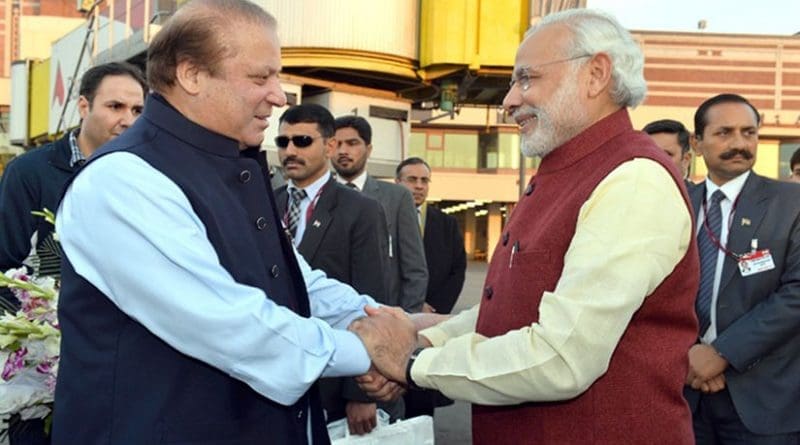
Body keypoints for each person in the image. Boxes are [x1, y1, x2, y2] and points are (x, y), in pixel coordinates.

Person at [51, 2, 416, 444]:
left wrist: (393, 323)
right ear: (192, 75)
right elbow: (229, 325)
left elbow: (300, 285)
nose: (280, 95)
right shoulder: (123, 179)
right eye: (261, 78)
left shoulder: (231, 166)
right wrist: (370, 348)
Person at [355, 9, 700, 444]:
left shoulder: (632, 180)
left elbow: (561, 356)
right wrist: (424, 338)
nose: (509, 101)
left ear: (595, 75)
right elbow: (516, 311)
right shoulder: (566, 171)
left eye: (526, 79)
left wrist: (410, 365)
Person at [686, 93, 800, 444]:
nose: (739, 144)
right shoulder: (676, 202)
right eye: (724, 133)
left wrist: (722, 354)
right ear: (697, 142)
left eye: (749, 133)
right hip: (685, 393)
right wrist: (688, 355)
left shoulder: (790, 203)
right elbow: (651, 290)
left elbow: (795, 292)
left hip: (764, 400)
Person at [273, 103, 393, 434]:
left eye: (302, 141)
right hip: (275, 377)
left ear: (329, 146)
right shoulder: (266, 203)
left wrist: (361, 392)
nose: (290, 151)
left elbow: (372, 298)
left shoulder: (362, 210)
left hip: (334, 384)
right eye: (283, 142)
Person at [0, 61, 146, 311]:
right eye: (115, 107)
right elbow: (5, 265)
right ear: (83, 107)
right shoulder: (29, 172)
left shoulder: (147, 177)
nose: (128, 120)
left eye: (137, 110)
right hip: (47, 336)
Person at [394, 156, 466, 418]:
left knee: (422, 390)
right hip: (395, 314)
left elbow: (458, 269)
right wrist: (410, 305)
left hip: (432, 319)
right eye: (412, 180)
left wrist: (433, 307)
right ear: (397, 182)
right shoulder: (379, 216)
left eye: (424, 180)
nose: (419, 186)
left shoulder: (445, 223)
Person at [332, 116, 428, 313]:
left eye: (352, 143)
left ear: (368, 149)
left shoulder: (396, 197)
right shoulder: (318, 196)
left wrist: (405, 320)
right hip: (329, 318)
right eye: (337, 143)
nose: (343, 151)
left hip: (381, 316)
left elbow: (415, 269)